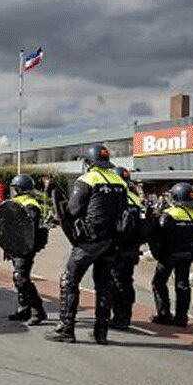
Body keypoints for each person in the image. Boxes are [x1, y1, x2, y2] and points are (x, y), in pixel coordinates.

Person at [46, 143, 127, 344]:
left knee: (69, 281)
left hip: (89, 241)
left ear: (89, 162)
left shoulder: (87, 179)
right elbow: (123, 211)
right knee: (104, 285)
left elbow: (73, 210)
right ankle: (101, 332)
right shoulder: (120, 181)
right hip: (111, 240)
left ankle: (66, 328)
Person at [150, 183, 193, 327]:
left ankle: (164, 314)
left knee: (158, 282)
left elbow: (159, 234)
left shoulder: (170, 213)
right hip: (187, 253)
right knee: (183, 284)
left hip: (169, 254)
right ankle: (181, 317)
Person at [6, 174, 49, 325]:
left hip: (25, 247)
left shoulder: (31, 205)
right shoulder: (15, 202)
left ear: (20, 189)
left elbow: (28, 228)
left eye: (15, 188)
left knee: (21, 278)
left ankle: (38, 311)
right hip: (16, 246)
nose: (13, 191)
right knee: (18, 278)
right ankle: (24, 309)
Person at [108, 167, 144, 330]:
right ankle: (126, 315)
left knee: (117, 282)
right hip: (133, 248)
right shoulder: (135, 198)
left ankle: (120, 318)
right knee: (127, 281)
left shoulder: (115, 197)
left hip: (118, 247)